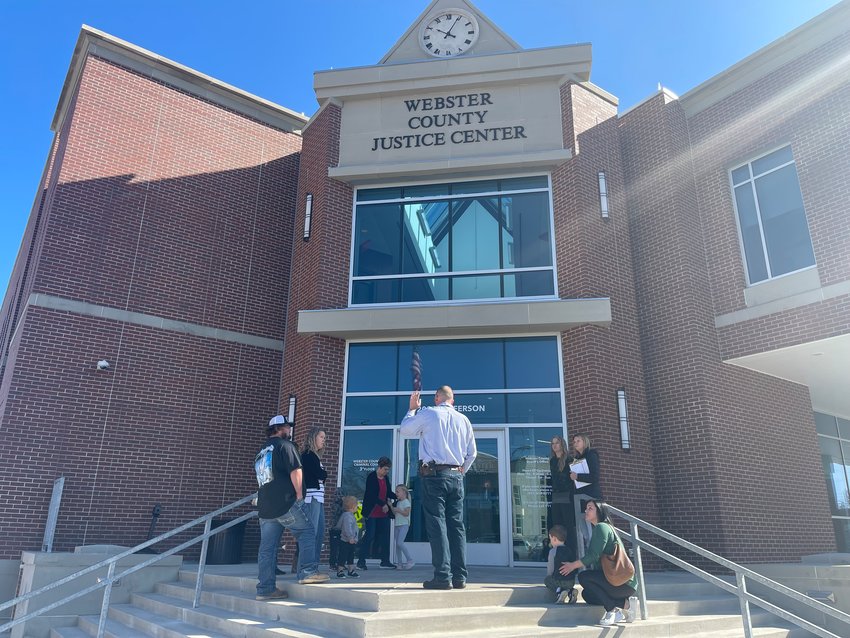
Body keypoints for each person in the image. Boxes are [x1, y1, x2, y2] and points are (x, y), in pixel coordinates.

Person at [400, 386, 477, 590]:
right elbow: (472, 453)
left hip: (434, 476)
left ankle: (443, 577)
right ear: (452, 399)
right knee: (456, 526)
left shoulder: (429, 413)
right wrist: (461, 472)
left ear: (437, 398)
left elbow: (405, 430)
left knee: (437, 525)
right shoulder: (464, 420)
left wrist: (412, 409)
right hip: (456, 477)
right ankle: (460, 577)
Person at [254, 415, 328, 600]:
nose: (289, 430)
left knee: (267, 549)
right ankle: (308, 572)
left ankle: (265, 589)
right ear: (279, 428)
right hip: (286, 502)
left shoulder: (262, 452)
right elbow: (296, 470)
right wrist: (299, 495)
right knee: (307, 532)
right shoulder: (285, 446)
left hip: (266, 507)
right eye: (287, 427)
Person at [559, 500, 638, 626]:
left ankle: (612, 610)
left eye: (590, 508)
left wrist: (572, 565)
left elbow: (592, 556)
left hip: (623, 582)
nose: (586, 510)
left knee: (583, 577)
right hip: (615, 581)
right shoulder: (602, 528)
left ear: (599, 511)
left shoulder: (602, 527)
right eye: (586, 508)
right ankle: (625, 604)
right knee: (587, 594)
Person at [357, 456, 397, 570]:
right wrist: (382, 504)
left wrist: (397, 496)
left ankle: (385, 561)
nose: (386, 471)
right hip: (372, 512)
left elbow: (388, 492)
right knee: (369, 536)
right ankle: (361, 561)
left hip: (383, 513)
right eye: (385, 469)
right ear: (379, 467)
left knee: (385, 537)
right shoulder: (371, 477)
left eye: (388, 469)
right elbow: (371, 495)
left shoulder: (385, 479)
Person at [301, 427, 328, 568]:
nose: (324, 440)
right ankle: (307, 567)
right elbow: (320, 474)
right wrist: (324, 473)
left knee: (320, 531)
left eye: (324, 437)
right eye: (321, 437)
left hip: (318, 498)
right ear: (313, 438)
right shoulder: (308, 455)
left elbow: (321, 474)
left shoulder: (315, 456)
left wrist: (323, 474)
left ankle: (314, 565)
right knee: (312, 532)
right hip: (311, 497)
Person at [570, 434, 602, 550]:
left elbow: (594, 476)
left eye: (578, 441)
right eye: (574, 442)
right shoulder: (576, 459)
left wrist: (577, 476)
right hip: (580, 499)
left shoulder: (591, 455)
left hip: (591, 496)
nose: (576, 443)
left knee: (594, 530)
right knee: (585, 533)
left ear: (585, 442)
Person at [549, 435, 576, 554]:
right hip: (556, 497)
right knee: (557, 526)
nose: (554, 445)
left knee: (568, 527)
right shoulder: (552, 461)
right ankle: (559, 554)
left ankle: (571, 554)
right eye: (553, 443)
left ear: (562, 445)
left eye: (557, 443)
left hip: (567, 496)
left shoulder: (569, 459)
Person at [544, 524, 578, 604]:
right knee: (567, 585)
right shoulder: (569, 550)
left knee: (547, 580)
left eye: (550, 539)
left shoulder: (553, 551)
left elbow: (551, 567)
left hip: (559, 580)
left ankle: (559, 592)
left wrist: (549, 575)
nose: (550, 541)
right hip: (571, 581)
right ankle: (571, 591)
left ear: (554, 539)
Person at [335, 495, 361, 578]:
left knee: (351, 556)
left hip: (351, 540)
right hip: (346, 540)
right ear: (352, 506)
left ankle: (351, 570)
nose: (357, 507)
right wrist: (350, 537)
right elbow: (347, 528)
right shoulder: (347, 516)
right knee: (343, 556)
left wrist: (355, 538)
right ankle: (340, 571)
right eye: (357, 505)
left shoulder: (350, 515)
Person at [391, 484, 414, 569]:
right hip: (397, 525)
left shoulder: (406, 502)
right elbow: (394, 513)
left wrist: (399, 510)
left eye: (397, 491)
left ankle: (410, 560)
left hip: (404, 525)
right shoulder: (399, 502)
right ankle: (399, 564)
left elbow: (406, 513)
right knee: (397, 545)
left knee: (400, 543)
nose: (396, 493)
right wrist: (391, 505)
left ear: (403, 492)